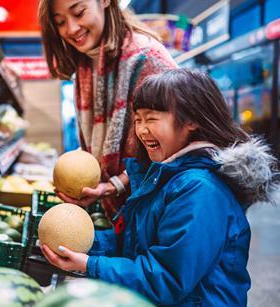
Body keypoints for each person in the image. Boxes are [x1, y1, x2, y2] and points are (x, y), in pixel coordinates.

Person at [41, 69, 280, 306]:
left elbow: (167, 278)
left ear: (191, 121)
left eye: (151, 119)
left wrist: (89, 265)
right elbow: (134, 245)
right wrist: (84, 246)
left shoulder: (200, 190)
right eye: (138, 120)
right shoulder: (165, 176)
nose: (142, 130)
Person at [38, 0, 177, 220]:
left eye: (79, 12)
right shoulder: (85, 64)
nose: (72, 28)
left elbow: (173, 151)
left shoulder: (146, 58)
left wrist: (115, 185)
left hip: (157, 214)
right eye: (61, 22)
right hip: (121, 216)